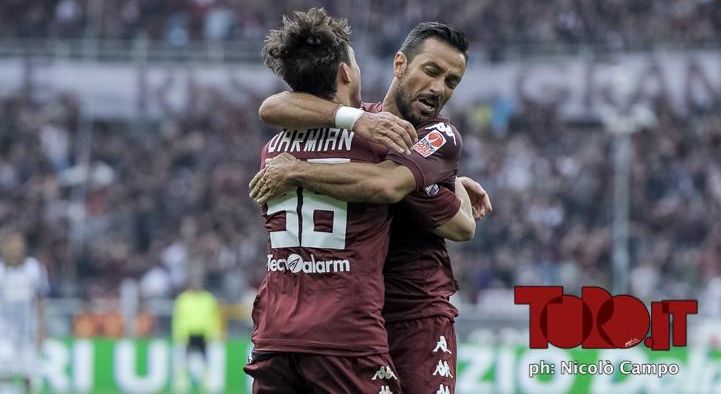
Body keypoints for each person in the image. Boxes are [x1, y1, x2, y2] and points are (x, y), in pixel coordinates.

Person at [250, 21, 492, 394]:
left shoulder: (439, 135)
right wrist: (358, 120)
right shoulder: (364, 127)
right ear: (400, 64)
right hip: (355, 317)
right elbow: (272, 106)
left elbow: (461, 225)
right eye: (431, 71)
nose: (438, 88)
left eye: (451, 81)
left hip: (415, 315)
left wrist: (296, 170)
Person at [0, 230, 49, 393]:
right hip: (3, 333)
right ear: (4, 248)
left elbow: (41, 300)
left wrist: (42, 329)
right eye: (11, 245)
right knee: (4, 372)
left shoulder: (34, 268)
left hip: (28, 333)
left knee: (28, 374)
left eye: (18, 245)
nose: (15, 250)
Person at [172, 270, 222, 392]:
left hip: (204, 334)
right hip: (187, 334)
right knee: (184, 361)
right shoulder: (183, 299)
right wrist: (178, 334)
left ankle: (206, 383)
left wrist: (214, 332)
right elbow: (178, 317)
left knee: (205, 361)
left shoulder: (208, 298)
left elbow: (214, 317)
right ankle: (182, 383)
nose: (197, 286)